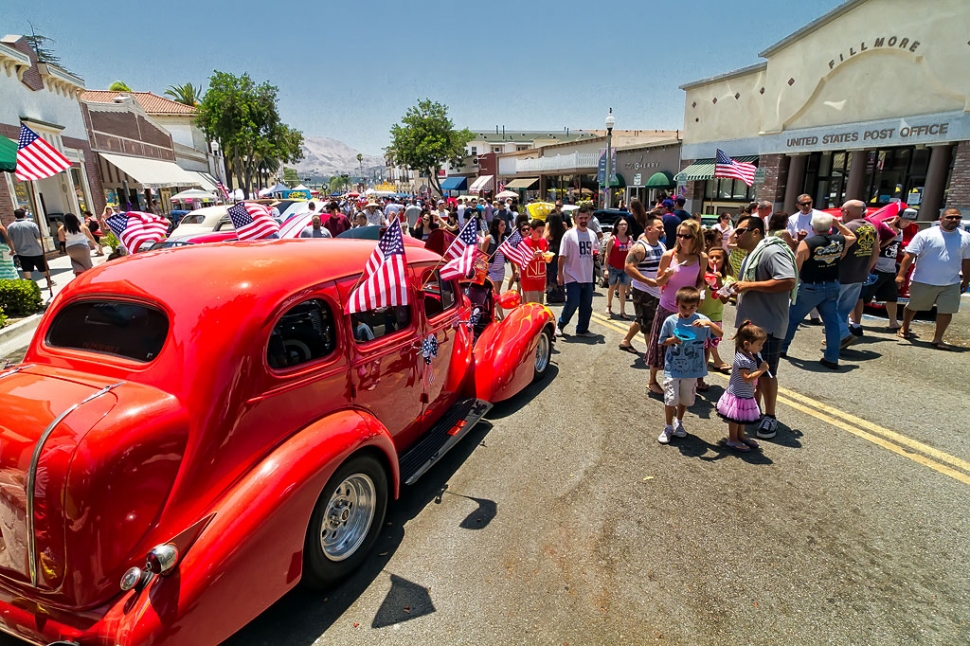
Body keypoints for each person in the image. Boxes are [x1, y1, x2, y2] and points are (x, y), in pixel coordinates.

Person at [732, 215, 797, 439]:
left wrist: (749, 285)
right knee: (748, 372)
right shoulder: (751, 255)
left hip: (767, 327)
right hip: (749, 326)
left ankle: (770, 417)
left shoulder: (771, 252)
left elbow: (787, 280)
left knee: (766, 372)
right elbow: (748, 288)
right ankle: (752, 410)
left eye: (740, 231)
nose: (735, 235)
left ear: (756, 232)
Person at [780, 212, 857, 369]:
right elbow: (852, 237)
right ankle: (832, 357)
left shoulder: (807, 244)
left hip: (810, 286)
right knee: (832, 322)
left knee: (793, 318)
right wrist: (837, 224)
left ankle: (781, 348)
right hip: (832, 284)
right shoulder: (839, 240)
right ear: (828, 227)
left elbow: (796, 267)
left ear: (812, 227)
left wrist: (791, 286)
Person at [645, 220, 708, 395]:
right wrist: (666, 275)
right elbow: (658, 282)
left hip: (687, 309)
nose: (681, 239)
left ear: (695, 237)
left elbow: (700, 280)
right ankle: (652, 380)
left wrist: (700, 292)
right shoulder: (669, 256)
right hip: (668, 306)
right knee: (661, 343)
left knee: (684, 344)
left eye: (686, 235)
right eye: (679, 235)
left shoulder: (701, 258)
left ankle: (681, 378)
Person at [895, 207, 970, 350]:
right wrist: (901, 275)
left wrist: (966, 280)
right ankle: (905, 327)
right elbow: (909, 255)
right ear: (941, 219)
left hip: (951, 282)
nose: (954, 220)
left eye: (957, 217)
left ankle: (937, 339)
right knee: (914, 306)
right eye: (950, 217)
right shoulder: (926, 234)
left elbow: (967, 261)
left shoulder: (966, 237)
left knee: (947, 310)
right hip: (924, 280)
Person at [657, 286, 722, 444]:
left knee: (685, 398)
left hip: (693, 369)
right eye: (683, 307)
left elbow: (719, 334)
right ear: (676, 303)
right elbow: (661, 341)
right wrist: (672, 340)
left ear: (698, 305)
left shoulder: (701, 320)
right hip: (673, 367)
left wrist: (708, 323)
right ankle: (668, 426)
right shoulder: (671, 321)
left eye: (691, 307)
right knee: (671, 398)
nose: (687, 311)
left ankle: (679, 422)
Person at [619, 215, 670, 359]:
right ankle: (651, 354)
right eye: (659, 228)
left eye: (662, 227)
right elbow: (628, 267)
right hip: (644, 291)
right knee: (649, 324)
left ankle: (626, 340)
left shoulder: (661, 245)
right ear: (649, 229)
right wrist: (648, 281)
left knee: (642, 318)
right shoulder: (640, 248)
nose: (662, 230)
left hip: (658, 290)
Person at [716, 321, 770, 452]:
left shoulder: (748, 354)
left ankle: (741, 436)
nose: (761, 348)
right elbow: (746, 378)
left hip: (745, 393)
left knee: (742, 417)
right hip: (738, 394)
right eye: (759, 345)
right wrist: (761, 370)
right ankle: (732, 439)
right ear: (747, 344)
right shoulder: (742, 359)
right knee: (736, 418)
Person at [836, 200, 879, 348]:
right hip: (860, 274)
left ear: (846, 212)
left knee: (830, 308)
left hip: (843, 274)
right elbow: (876, 251)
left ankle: (844, 335)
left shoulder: (848, 228)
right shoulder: (871, 227)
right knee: (844, 309)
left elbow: (841, 252)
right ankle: (837, 338)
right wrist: (867, 269)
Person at [556, 205, 598, 337]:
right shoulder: (569, 235)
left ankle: (582, 329)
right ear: (575, 219)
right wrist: (559, 274)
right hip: (572, 275)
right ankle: (561, 324)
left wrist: (598, 257)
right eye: (581, 218)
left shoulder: (592, 235)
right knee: (573, 302)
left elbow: (595, 253)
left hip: (588, 275)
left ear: (589, 218)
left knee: (586, 305)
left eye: (586, 218)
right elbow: (562, 256)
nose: (583, 220)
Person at [861, 214, 904, 330]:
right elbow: (877, 246)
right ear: (898, 218)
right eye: (905, 221)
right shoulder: (883, 227)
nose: (907, 224)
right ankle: (854, 320)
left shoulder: (901, 231)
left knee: (892, 297)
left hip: (890, 268)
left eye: (909, 222)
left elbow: (897, 247)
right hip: (877, 267)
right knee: (864, 297)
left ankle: (893, 322)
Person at [697, 246, 732, 386]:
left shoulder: (727, 279)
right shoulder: (701, 274)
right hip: (699, 315)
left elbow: (724, 300)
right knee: (697, 348)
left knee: (706, 350)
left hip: (714, 318)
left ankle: (700, 379)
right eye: (711, 257)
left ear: (724, 261)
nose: (714, 260)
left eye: (718, 257)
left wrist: (719, 283)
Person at [8, 208, 54, 290]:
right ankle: (49, 281)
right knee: (43, 267)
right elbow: (40, 236)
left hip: (21, 252)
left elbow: (9, 239)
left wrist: (12, 249)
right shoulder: (31, 225)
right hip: (36, 251)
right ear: (24, 215)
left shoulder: (10, 227)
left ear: (15, 216)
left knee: (26, 269)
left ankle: (29, 285)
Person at [605, 218, 633, 319]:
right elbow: (607, 255)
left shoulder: (629, 239)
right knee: (612, 287)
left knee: (623, 289)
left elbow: (632, 253)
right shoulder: (613, 239)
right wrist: (606, 269)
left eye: (625, 224)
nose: (624, 227)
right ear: (617, 226)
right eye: (621, 225)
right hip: (613, 267)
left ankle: (622, 311)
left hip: (625, 268)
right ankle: (609, 305)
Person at [520, 219, 549, 304]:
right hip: (529, 280)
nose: (540, 234)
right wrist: (532, 257)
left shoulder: (544, 242)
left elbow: (545, 260)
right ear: (531, 230)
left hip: (541, 279)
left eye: (542, 231)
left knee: (539, 307)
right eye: (538, 231)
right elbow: (520, 260)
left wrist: (548, 258)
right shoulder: (524, 242)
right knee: (534, 308)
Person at [544, 213, 567, 303]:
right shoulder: (562, 232)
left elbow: (545, 239)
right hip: (560, 257)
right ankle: (560, 295)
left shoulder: (550, 232)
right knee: (559, 276)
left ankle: (552, 296)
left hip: (551, 257)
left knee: (551, 277)